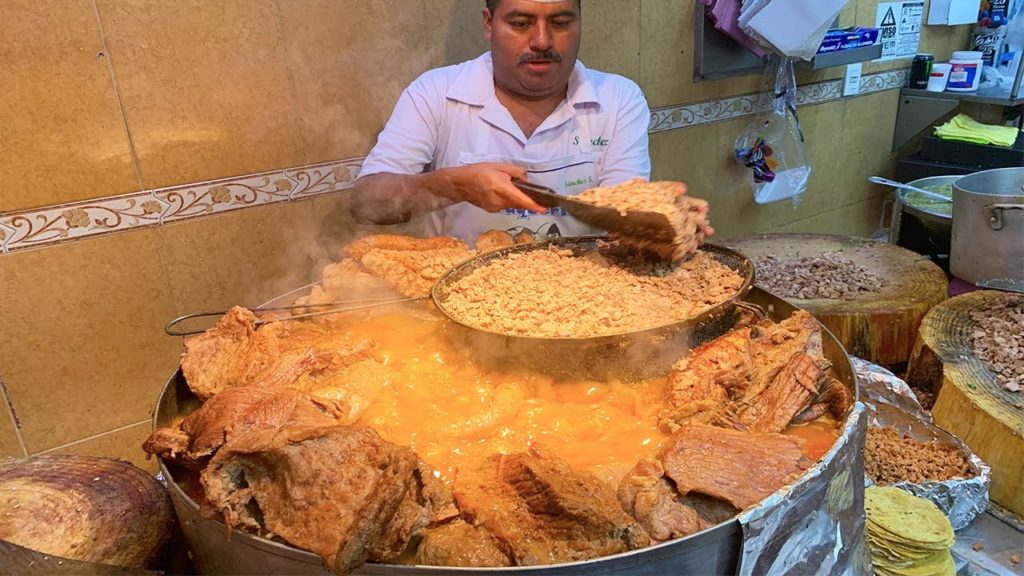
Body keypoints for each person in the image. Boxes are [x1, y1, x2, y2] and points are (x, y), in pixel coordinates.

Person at [352, 0, 694, 244]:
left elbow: (624, 213)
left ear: (579, 21)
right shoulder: (436, 93)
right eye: (520, 23)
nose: (542, 41)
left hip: (587, 296)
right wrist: (454, 186)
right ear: (489, 23)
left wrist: (667, 217)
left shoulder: (619, 98)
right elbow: (366, 203)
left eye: (560, 22)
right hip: (464, 302)